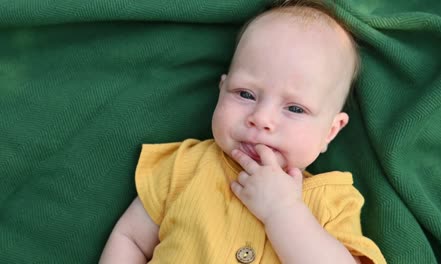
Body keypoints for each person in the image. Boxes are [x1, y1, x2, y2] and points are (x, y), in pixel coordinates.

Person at [100, 1, 386, 263]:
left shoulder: (332, 201)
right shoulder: (184, 166)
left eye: (295, 109)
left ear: (330, 132)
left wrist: (283, 212)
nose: (261, 119)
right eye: (245, 94)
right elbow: (131, 239)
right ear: (221, 89)